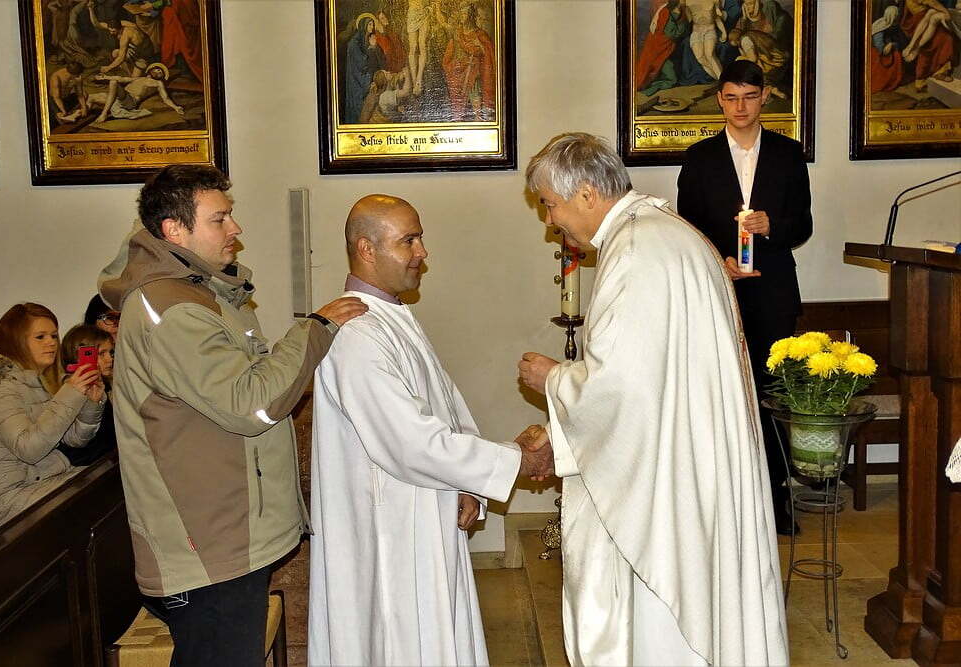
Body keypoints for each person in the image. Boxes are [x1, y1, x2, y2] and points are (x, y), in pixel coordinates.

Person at [518, 133, 787, 666]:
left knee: (659, 617)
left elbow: (620, 387)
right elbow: (651, 374)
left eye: (550, 204)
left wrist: (552, 377)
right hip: (691, 453)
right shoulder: (664, 233)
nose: (550, 221)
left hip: (667, 480)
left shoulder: (637, 250)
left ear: (587, 194)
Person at [99, 165, 367, 667]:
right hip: (204, 542)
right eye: (219, 219)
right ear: (174, 230)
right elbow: (251, 404)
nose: (235, 229)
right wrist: (314, 330)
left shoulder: (202, 293)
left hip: (225, 530)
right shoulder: (172, 310)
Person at [309, 194, 554, 667]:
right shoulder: (356, 332)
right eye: (409, 241)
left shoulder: (390, 316)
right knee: (398, 644)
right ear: (366, 249)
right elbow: (409, 443)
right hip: (391, 531)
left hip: (423, 514)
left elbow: (443, 408)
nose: (422, 253)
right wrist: (515, 459)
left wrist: (469, 484)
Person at [677, 60, 812, 536]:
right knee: (723, 394)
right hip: (720, 290)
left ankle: (776, 499)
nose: (740, 107)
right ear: (719, 99)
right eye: (731, 98)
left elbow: (803, 225)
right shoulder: (699, 157)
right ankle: (723, 501)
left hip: (773, 293)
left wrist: (773, 226)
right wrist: (720, 259)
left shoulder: (788, 154)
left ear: (765, 97)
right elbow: (687, 227)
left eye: (749, 97)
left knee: (772, 395)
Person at [0, 303, 105, 529]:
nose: (51, 343)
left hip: (47, 479)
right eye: (40, 337)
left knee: (110, 480)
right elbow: (29, 449)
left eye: (54, 336)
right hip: (11, 497)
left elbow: (75, 440)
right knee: (99, 498)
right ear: (16, 341)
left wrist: (91, 402)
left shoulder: (34, 380)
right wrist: (70, 393)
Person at [56, 324, 116, 467]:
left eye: (111, 352)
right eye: (101, 354)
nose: (110, 359)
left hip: (107, 460)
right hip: (87, 466)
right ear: (80, 356)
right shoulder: (71, 391)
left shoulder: (104, 384)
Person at [89, 62, 183, 124]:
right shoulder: (139, 78)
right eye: (157, 69)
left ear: (161, 77)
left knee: (113, 82)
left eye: (161, 72)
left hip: (130, 100)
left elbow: (165, 98)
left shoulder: (158, 83)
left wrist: (176, 107)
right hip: (120, 97)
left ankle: (104, 114)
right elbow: (122, 79)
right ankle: (81, 113)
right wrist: (105, 77)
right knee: (91, 97)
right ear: (151, 69)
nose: (158, 71)